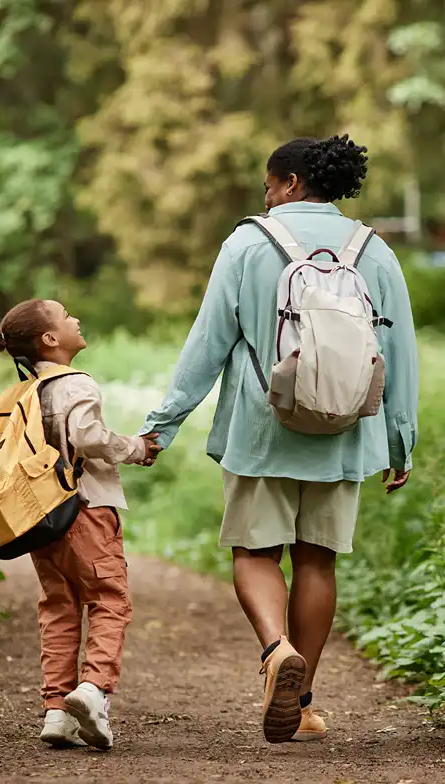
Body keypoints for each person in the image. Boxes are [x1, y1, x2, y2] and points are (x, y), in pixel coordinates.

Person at [140, 135, 418, 744]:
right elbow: (399, 353)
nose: (265, 199)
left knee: (255, 553)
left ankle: (274, 653)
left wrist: (163, 423)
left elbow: (208, 341)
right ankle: (306, 701)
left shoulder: (247, 243)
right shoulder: (375, 250)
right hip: (346, 430)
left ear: (291, 183)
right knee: (317, 560)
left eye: (269, 187)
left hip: (263, 426)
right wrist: (401, 441)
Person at [0, 300, 160, 750]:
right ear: (50, 339)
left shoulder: (27, 390)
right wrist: (136, 448)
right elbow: (88, 438)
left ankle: (55, 712)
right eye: (65, 317)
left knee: (59, 607)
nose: (75, 320)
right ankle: (93, 691)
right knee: (109, 600)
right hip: (86, 509)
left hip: (42, 519)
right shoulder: (75, 384)